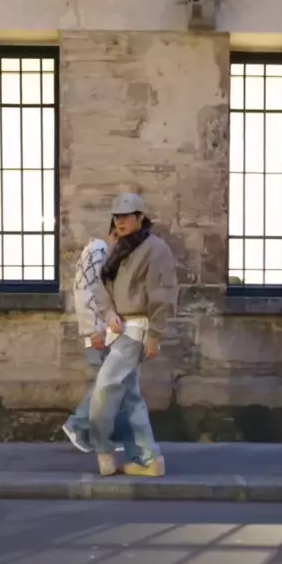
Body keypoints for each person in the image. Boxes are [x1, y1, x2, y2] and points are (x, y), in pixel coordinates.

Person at [90, 193, 177, 477]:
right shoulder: (116, 247)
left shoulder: (156, 249)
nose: (120, 221)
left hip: (136, 331)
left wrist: (155, 336)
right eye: (117, 216)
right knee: (130, 397)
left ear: (140, 217)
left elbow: (162, 296)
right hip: (117, 330)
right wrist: (108, 313)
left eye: (127, 216)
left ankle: (103, 450)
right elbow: (100, 285)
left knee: (104, 388)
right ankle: (149, 459)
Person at [62, 222, 130, 453]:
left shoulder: (104, 256)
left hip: (106, 332)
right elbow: (84, 293)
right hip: (99, 332)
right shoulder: (97, 251)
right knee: (107, 384)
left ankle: (103, 436)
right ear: (114, 234)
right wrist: (93, 330)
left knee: (113, 384)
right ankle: (78, 424)